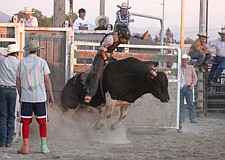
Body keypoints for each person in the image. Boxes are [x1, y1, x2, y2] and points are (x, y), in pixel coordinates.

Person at [16, 40, 54, 154]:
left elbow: (17, 80)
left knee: (25, 122)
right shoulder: (42, 62)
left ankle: (25, 147)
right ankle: (43, 146)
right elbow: (46, 80)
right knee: (42, 122)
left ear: (29, 50)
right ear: (37, 50)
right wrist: (51, 94)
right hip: (40, 97)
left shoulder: (21, 63)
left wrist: (20, 93)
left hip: (26, 97)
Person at [84, 28, 131, 103]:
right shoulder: (110, 39)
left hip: (108, 55)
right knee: (97, 74)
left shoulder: (119, 37)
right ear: (121, 36)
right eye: (125, 39)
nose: (125, 41)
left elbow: (134, 34)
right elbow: (102, 50)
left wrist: (141, 36)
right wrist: (105, 60)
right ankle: (90, 94)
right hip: (101, 56)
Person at [0, 44, 21, 147]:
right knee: (11, 115)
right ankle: (9, 140)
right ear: (16, 53)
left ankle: (2, 141)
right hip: (12, 89)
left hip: (2, 88)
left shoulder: (2, 61)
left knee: (3, 115)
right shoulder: (18, 63)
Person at [178, 54, 198, 133]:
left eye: (185, 60)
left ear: (187, 60)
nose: (184, 61)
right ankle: (182, 118)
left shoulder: (191, 68)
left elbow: (195, 77)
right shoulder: (179, 68)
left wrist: (193, 84)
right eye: (183, 59)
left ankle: (192, 118)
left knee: (190, 103)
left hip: (188, 86)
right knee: (181, 104)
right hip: (181, 87)